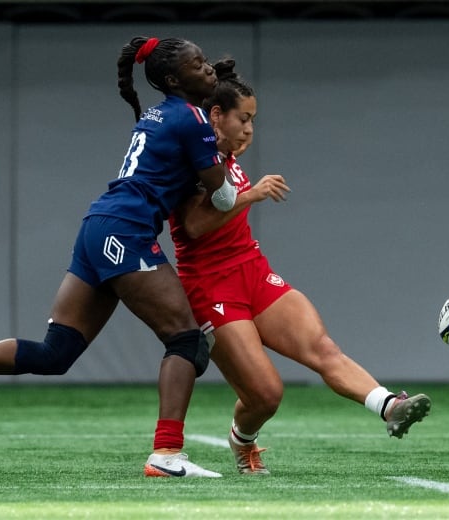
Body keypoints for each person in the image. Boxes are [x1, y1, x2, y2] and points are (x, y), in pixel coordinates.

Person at [0, 36, 241, 478]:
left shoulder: (166, 114)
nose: (208, 68)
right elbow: (222, 194)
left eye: (204, 60)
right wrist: (232, 153)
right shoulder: (192, 118)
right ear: (174, 79)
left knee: (55, 354)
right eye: (198, 64)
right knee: (185, 340)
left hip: (99, 226)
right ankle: (167, 454)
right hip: (127, 230)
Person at [168, 59, 431, 475]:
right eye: (244, 118)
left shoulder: (226, 158)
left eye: (254, 120)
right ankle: (242, 440)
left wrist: (245, 188)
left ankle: (389, 406)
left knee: (323, 348)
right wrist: (252, 195)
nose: (250, 129)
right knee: (267, 394)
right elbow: (194, 226)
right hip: (210, 287)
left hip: (252, 271)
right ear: (217, 116)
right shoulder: (190, 158)